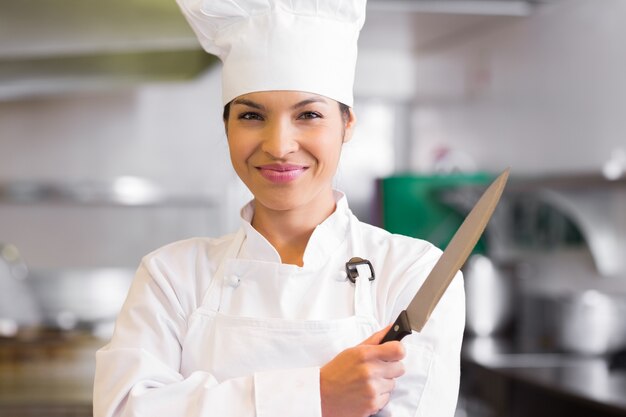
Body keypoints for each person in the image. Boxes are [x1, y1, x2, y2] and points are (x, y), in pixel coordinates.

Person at [93, 1, 465, 416]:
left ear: (347, 125)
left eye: (308, 114)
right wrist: (315, 396)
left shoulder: (414, 272)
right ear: (227, 126)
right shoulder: (172, 276)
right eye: (252, 115)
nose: (278, 145)